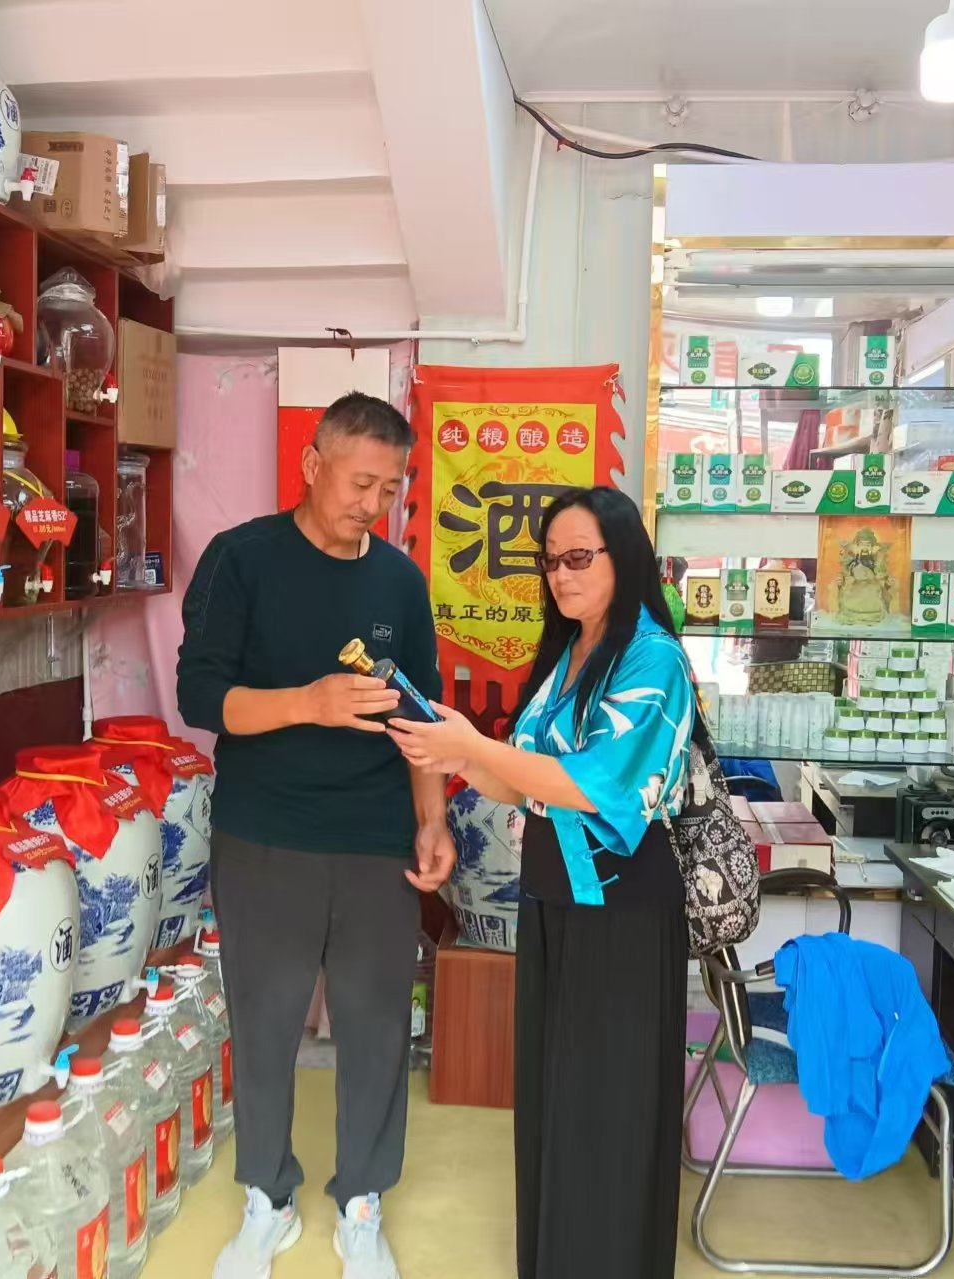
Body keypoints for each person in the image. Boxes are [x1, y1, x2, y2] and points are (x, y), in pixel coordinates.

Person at [176, 391, 456, 1279]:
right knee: (264, 1023)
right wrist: (309, 702)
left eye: (390, 489)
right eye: (359, 482)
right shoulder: (242, 559)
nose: (372, 504)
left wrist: (432, 818)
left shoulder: (400, 582)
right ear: (312, 462)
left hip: (375, 837)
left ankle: (362, 1202)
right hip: (266, 832)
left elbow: (419, 716)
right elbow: (200, 696)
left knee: (377, 1025)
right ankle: (268, 1197)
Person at [388, 485, 695, 1279]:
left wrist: (474, 749)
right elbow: (523, 783)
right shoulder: (570, 653)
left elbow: (596, 784)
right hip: (555, 903)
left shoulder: (653, 657)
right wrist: (451, 752)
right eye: (551, 560)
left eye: (579, 556)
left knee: (610, 1115)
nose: (561, 574)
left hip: (623, 914)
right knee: (559, 1106)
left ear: (624, 556)